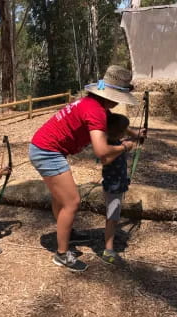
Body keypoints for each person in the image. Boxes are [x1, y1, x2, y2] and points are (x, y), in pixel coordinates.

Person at [29, 65, 143, 272]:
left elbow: (115, 123)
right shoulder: (96, 111)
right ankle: (62, 255)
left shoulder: (93, 104)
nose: (119, 102)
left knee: (61, 199)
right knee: (72, 202)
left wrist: (134, 134)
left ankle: (67, 233)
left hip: (44, 147)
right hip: (47, 151)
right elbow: (101, 151)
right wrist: (125, 146)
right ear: (113, 96)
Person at [100, 113, 143, 264]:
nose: (125, 133)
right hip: (113, 188)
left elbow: (122, 144)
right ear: (117, 133)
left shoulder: (114, 142)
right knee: (112, 218)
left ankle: (109, 243)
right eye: (123, 131)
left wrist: (136, 137)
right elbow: (106, 159)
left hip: (116, 186)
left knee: (114, 216)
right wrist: (124, 147)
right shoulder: (109, 147)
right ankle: (108, 249)